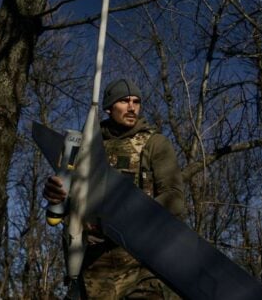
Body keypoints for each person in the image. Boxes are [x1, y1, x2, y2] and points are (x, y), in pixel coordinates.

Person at [44, 78, 185, 299]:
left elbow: (174, 199)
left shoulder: (155, 144)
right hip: (92, 265)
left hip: (142, 264)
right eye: (124, 101)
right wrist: (56, 198)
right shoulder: (85, 147)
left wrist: (126, 219)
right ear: (109, 107)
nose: (132, 107)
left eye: (136, 101)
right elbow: (69, 205)